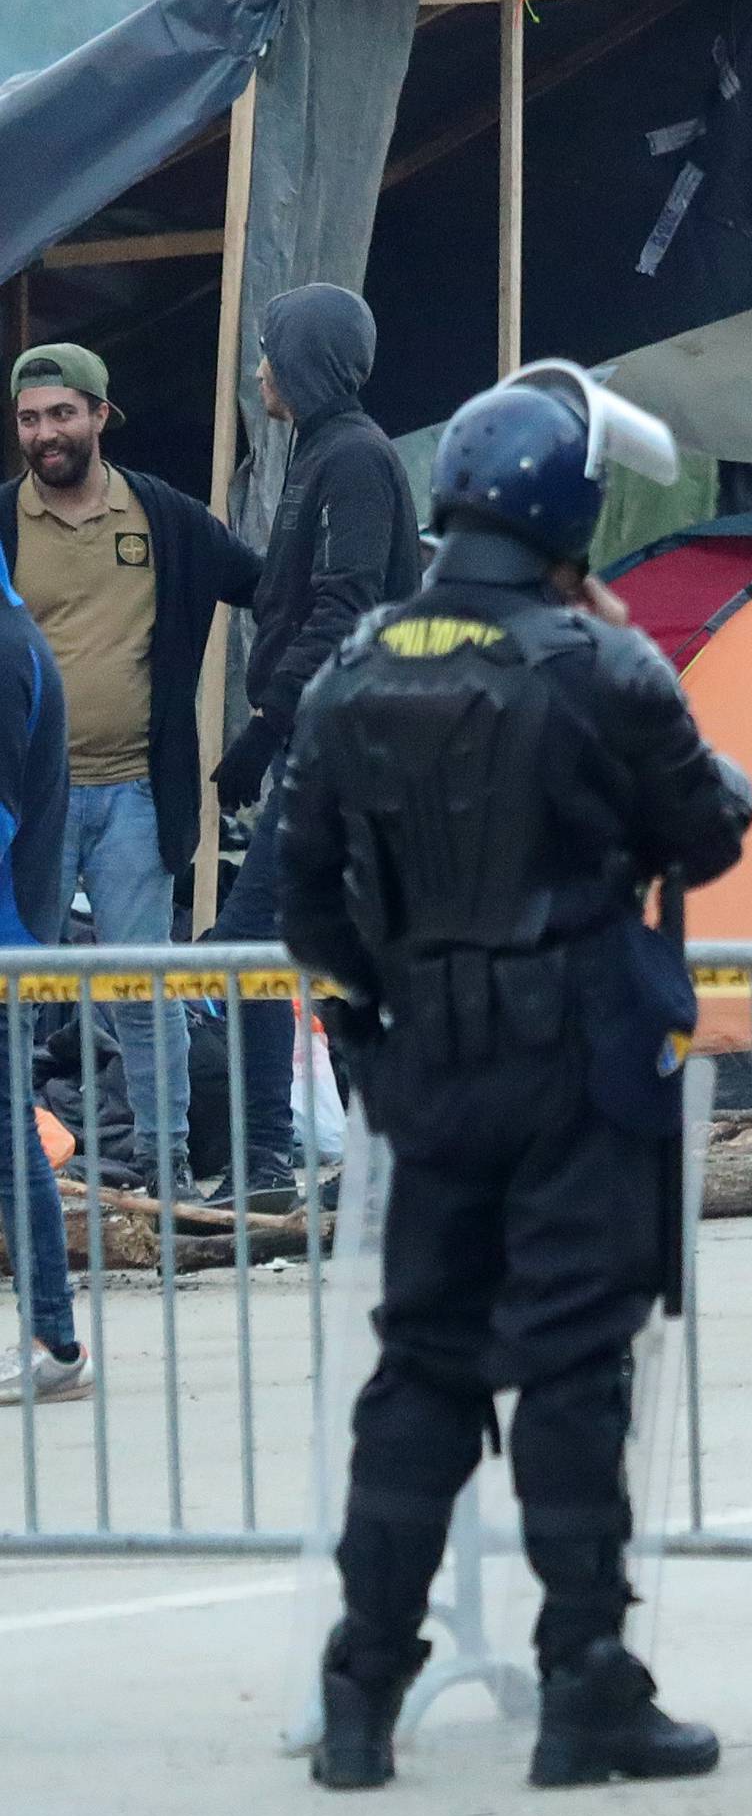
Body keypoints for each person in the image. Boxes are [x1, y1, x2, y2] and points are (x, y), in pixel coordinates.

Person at [277, 363, 752, 1793]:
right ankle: (585, 1683)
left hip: (428, 1059)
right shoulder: (596, 662)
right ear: (570, 517)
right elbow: (716, 820)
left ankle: (361, 1688)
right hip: (581, 1063)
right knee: (569, 1365)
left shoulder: (353, 664)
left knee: (420, 1364)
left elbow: (302, 896)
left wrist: (381, 1019)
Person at [1, 343, 261, 1200]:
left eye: (62, 413)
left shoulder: (162, 517)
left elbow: (264, 583)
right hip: (28, 805)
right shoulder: (2, 523)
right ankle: (18, 1167)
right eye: (31, 417)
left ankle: (166, 1167)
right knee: (18, 989)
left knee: (144, 988)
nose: (46, 433)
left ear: (101, 416)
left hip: (138, 797)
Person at [207, 285, 421, 1213]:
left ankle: (270, 1159)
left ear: (307, 360)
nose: (259, 372)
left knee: (254, 942)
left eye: (270, 353)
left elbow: (346, 603)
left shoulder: (357, 460)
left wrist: (267, 725)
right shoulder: (319, 455)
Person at [0, 540, 92, 1407]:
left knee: (7, 1142)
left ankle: (56, 1337)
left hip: (3, 937)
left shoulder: (5, 648)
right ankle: (54, 1334)